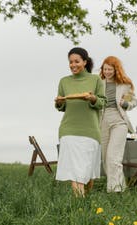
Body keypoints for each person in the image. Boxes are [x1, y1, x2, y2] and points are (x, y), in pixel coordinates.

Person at [54, 47, 106, 197]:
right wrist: (58, 102)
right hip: (68, 130)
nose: (73, 65)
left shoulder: (95, 80)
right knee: (75, 172)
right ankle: (79, 208)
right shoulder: (64, 81)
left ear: (85, 62)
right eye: (70, 62)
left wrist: (93, 98)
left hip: (90, 131)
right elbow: (61, 106)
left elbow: (103, 103)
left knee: (86, 172)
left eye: (76, 61)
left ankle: (85, 200)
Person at [99, 56, 137, 192]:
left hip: (119, 121)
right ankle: (119, 186)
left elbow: (133, 102)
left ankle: (115, 190)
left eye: (110, 69)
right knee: (105, 157)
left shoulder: (124, 85)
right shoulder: (98, 83)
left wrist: (125, 103)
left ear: (116, 70)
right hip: (102, 121)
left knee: (113, 156)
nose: (107, 72)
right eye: (105, 69)